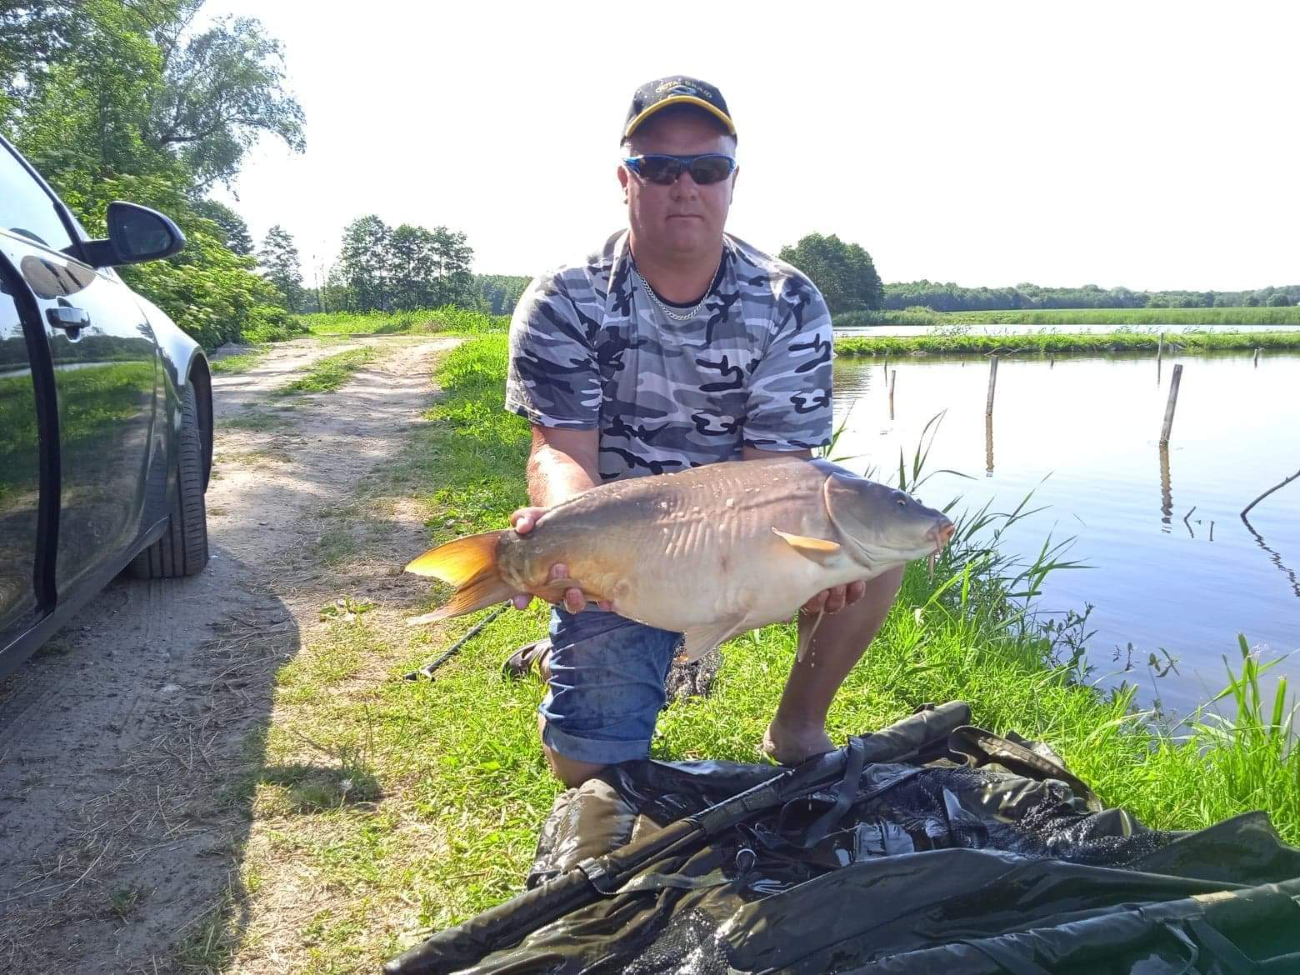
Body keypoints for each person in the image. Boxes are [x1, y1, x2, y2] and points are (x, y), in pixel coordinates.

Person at [504, 76, 903, 787]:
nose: (683, 185)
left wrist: (818, 568)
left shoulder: (789, 302)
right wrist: (565, 532)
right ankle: (577, 651)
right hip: (622, 548)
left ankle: (797, 725)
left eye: (706, 168)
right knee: (590, 772)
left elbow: (780, 478)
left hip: (734, 541)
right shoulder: (565, 296)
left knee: (869, 555)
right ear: (625, 180)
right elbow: (561, 450)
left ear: (731, 182)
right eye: (658, 167)